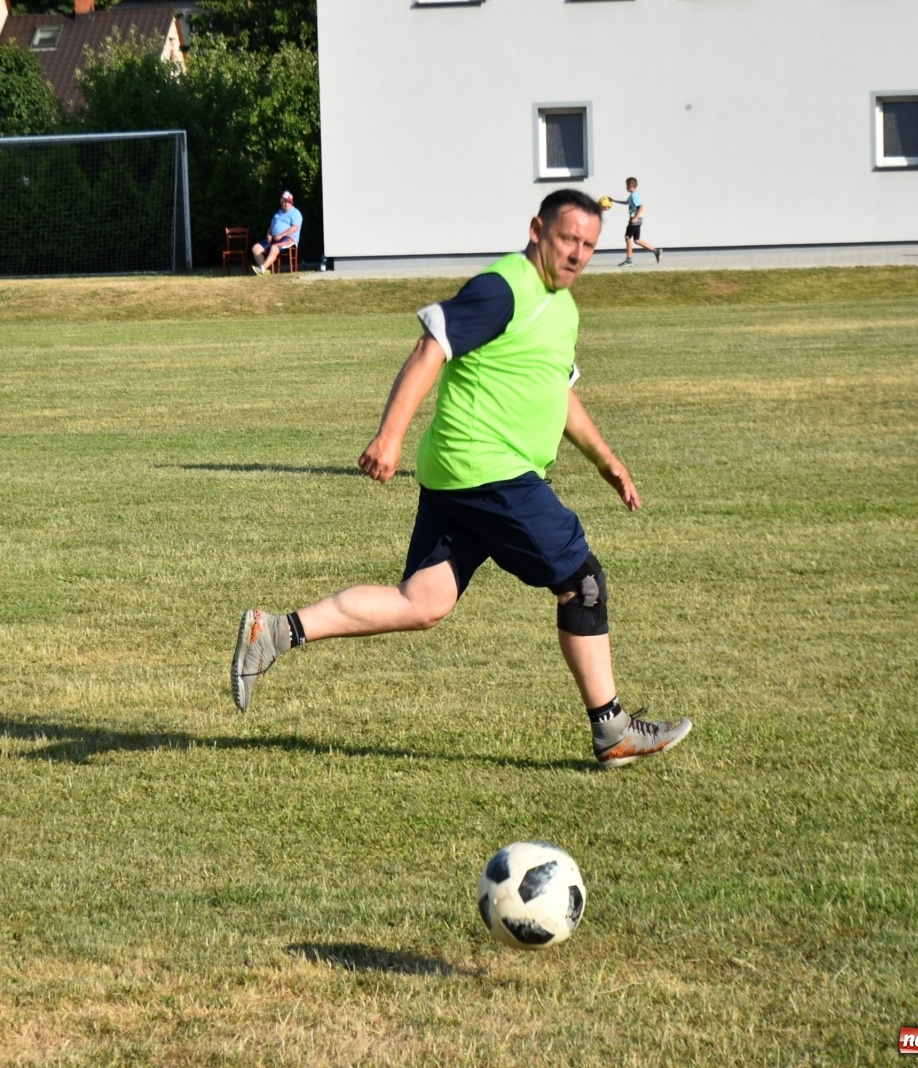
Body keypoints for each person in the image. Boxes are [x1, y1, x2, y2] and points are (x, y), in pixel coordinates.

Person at [231, 189, 692, 770]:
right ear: (537, 230)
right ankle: (613, 731)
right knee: (584, 582)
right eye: (567, 239)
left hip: (462, 474)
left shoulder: (564, 307)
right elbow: (431, 347)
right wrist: (389, 435)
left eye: (589, 246)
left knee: (422, 601)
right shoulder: (504, 288)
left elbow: (560, 393)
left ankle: (274, 633)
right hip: (489, 469)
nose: (577, 254)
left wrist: (607, 460)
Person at [251, 191, 303, 275]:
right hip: (274, 238)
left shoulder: (295, 213)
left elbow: (295, 228)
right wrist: (268, 234)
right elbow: (271, 227)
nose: (284, 204)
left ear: (291, 202)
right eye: (283, 201)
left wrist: (281, 235)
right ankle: (265, 272)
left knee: (274, 247)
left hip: (288, 238)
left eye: (287, 202)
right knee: (256, 248)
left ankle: (262, 269)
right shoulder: (278, 213)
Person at [613, 178, 661, 266]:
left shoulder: (634, 195)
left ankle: (629, 260)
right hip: (638, 220)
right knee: (637, 240)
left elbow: (642, 207)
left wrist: (635, 217)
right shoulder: (632, 195)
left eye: (627, 185)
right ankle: (655, 250)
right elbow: (626, 203)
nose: (626, 187)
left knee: (627, 237)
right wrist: (613, 200)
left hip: (635, 220)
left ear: (631, 186)